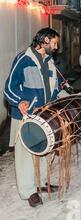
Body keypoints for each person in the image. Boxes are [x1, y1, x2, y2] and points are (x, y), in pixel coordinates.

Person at [3, 28, 61, 207]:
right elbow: (9, 88)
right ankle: (28, 191)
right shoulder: (24, 59)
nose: (56, 46)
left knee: (46, 150)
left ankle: (41, 183)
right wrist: (20, 101)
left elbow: (55, 89)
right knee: (25, 155)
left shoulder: (50, 62)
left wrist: (63, 98)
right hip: (25, 116)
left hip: (44, 115)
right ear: (44, 40)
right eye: (54, 42)